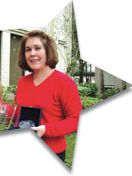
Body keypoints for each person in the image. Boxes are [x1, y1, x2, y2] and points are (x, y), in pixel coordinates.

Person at [15, 30, 82, 162]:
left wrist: (46, 130)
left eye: (37, 48)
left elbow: (76, 120)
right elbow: (20, 114)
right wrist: (0, 112)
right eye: (28, 50)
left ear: (48, 51)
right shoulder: (22, 82)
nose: (32, 53)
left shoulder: (63, 82)